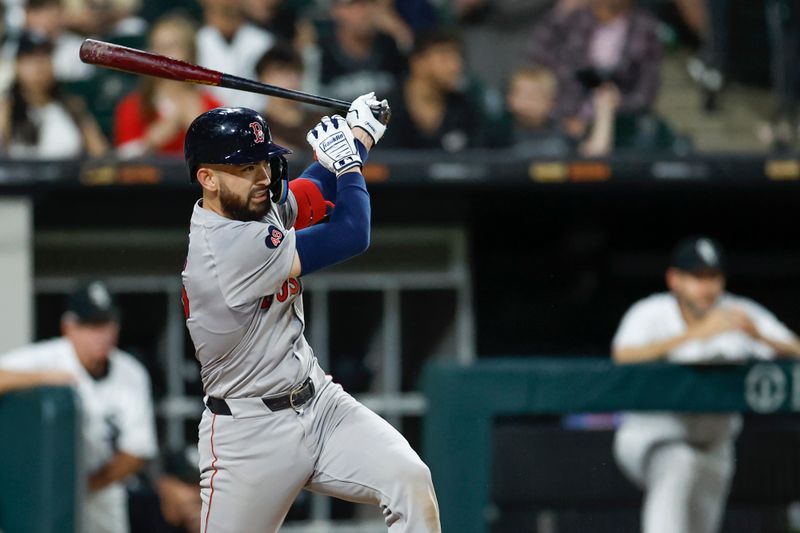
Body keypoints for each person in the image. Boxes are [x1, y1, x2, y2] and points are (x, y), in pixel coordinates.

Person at [181, 93, 441, 532]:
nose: (263, 177)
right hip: (248, 434)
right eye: (246, 169)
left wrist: (358, 134)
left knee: (409, 479)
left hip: (318, 403)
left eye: (263, 163)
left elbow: (312, 190)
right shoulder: (225, 248)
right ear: (207, 178)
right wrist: (350, 165)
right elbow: (351, 233)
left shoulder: (248, 207)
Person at [612, 236, 800, 533]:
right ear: (674, 279)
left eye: (713, 277)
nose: (706, 287)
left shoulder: (737, 312)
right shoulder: (650, 312)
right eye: (697, 277)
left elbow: (795, 347)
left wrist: (760, 337)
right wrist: (696, 334)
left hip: (715, 443)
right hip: (654, 437)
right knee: (679, 464)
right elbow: (623, 355)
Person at [0, 280, 158, 533]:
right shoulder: (49, 358)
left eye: (107, 323)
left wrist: (82, 486)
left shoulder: (131, 372)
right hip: (43, 491)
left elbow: (137, 451)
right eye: (91, 325)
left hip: (100, 493)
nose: (102, 334)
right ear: (69, 327)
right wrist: (43, 377)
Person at [528, 0, 662, 140]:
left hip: (619, 124)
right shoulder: (575, 17)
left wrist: (609, 109)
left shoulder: (645, 27)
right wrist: (561, 11)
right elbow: (538, 52)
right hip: (562, 118)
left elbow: (646, 91)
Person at [114, 13, 222, 157]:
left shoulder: (212, 105)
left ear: (190, 53)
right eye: (156, 46)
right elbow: (121, 162)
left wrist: (200, 130)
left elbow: (226, 159)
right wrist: (150, 142)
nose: (162, 55)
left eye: (172, 46)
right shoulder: (132, 106)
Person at [0, 31, 108, 158]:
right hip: (21, 175)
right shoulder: (6, 108)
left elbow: (100, 152)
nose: (39, 67)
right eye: (31, 60)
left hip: (69, 174)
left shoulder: (72, 105)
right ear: (17, 65)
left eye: (45, 57)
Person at [381, 30, 481, 152]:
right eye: (444, 57)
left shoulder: (466, 110)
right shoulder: (383, 109)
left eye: (457, 57)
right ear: (417, 63)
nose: (456, 66)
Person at [316, 0, 407, 102]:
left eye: (369, 3)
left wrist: (400, 33)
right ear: (335, 10)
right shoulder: (318, 52)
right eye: (353, 4)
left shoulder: (391, 46)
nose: (364, 12)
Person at [196, 0, 275, 110]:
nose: (228, 3)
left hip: (255, 119)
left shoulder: (263, 42)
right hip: (208, 118)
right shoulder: (197, 41)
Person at [255, 43, 322, 152]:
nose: (291, 79)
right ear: (262, 79)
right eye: (281, 72)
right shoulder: (256, 128)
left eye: (296, 71)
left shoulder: (320, 122)